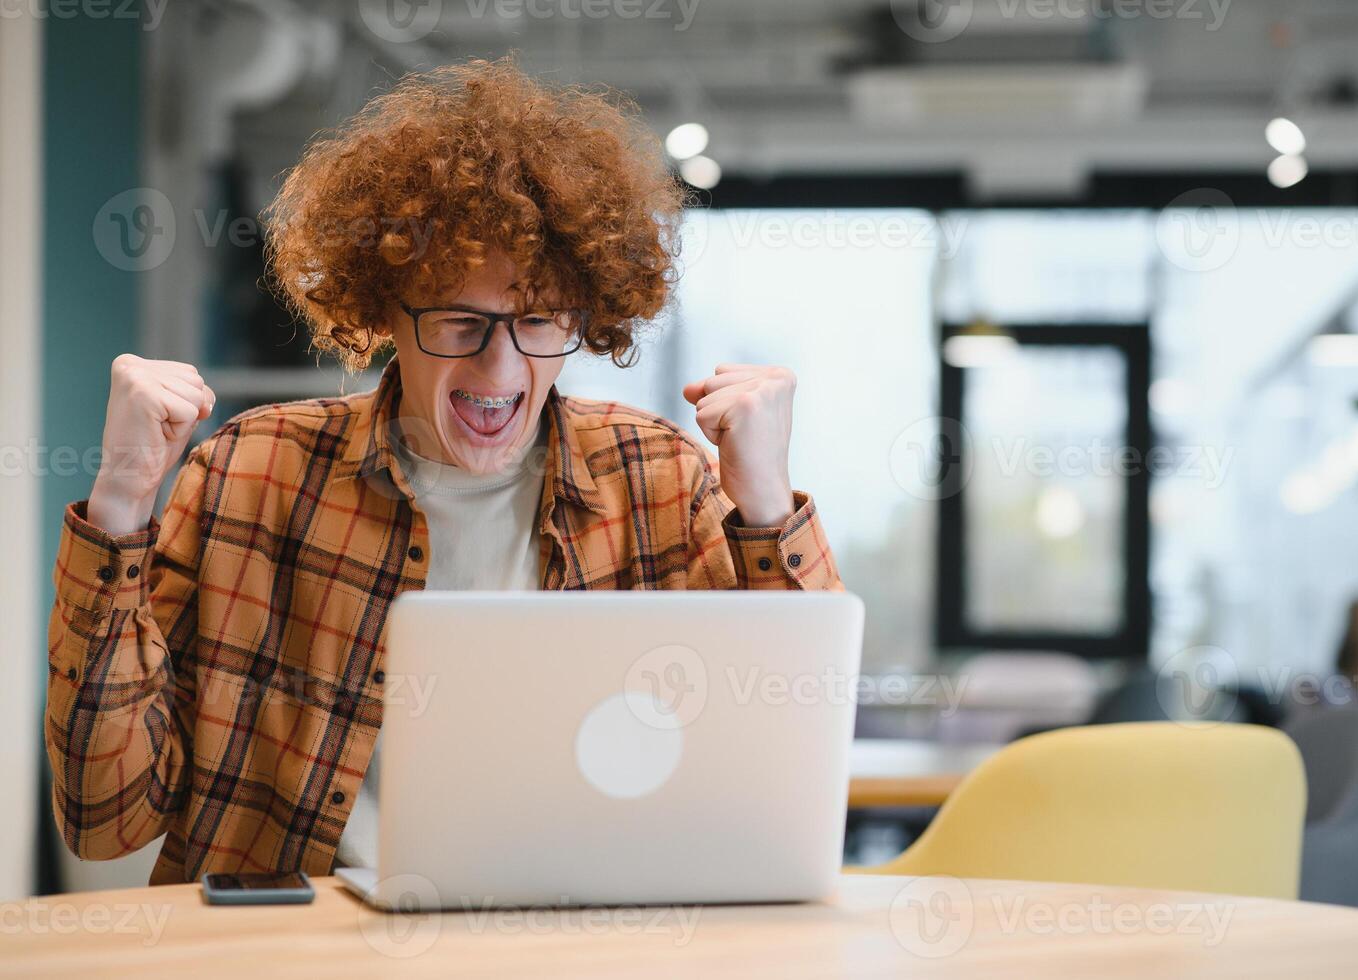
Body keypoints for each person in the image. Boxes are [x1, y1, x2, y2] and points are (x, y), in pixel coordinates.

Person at [46, 59, 840, 886]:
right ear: (385, 310)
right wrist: (121, 507)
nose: (499, 367)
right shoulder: (254, 473)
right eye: (459, 320)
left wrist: (765, 510)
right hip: (293, 955)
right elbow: (107, 820)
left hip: (575, 937)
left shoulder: (659, 481)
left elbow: (787, 783)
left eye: (536, 321)